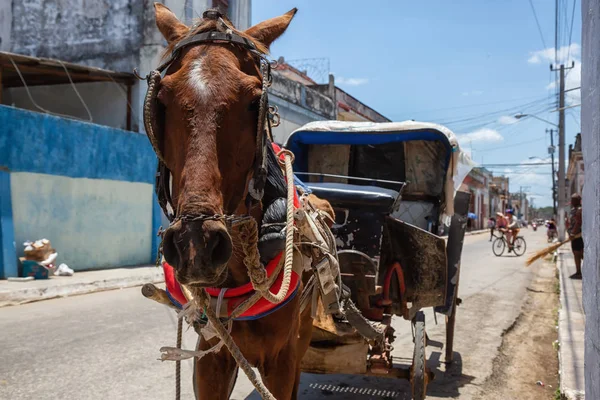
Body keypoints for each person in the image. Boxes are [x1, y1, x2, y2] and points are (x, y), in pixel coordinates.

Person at [568, 193, 584, 279]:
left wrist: (573, 233)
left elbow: (578, 223)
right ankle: (578, 272)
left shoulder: (580, 210)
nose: (572, 201)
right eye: (572, 199)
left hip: (578, 236)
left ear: (578, 200)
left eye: (574, 199)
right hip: (573, 237)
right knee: (576, 254)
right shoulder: (573, 210)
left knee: (580, 254)